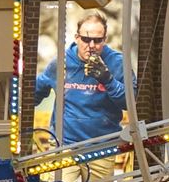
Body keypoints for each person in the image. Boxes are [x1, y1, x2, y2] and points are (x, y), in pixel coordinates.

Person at [31, 10, 131, 146]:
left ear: (105, 39)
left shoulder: (117, 62)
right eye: (85, 39)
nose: (91, 46)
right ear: (77, 37)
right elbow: (32, 97)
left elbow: (131, 104)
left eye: (97, 41)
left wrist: (108, 80)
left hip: (103, 146)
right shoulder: (61, 62)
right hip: (65, 144)